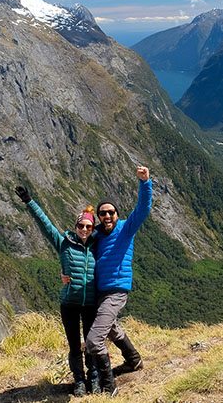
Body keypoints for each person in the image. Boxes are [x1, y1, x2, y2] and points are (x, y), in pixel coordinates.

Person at [15, 186, 100, 396]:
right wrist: (29, 201)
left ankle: (94, 378)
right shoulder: (64, 243)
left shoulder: (99, 245)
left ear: (93, 228)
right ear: (76, 225)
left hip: (90, 303)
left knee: (91, 343)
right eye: (81, 225)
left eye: (88, 226)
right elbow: (45, 224)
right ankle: (79, 381)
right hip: (69, 303)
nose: (84, 229)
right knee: (74, 344)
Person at [86, 165, 152, 396]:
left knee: (94, 340)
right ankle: (133, 360)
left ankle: (109, 386)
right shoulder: (96, 236)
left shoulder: (125, 229)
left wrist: (145, 182)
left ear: (117, 214)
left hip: (116, 291)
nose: (106, 216)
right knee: (112, 329)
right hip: (101, 292)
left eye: (110, 212)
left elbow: (142, 209)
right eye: (102, 213)